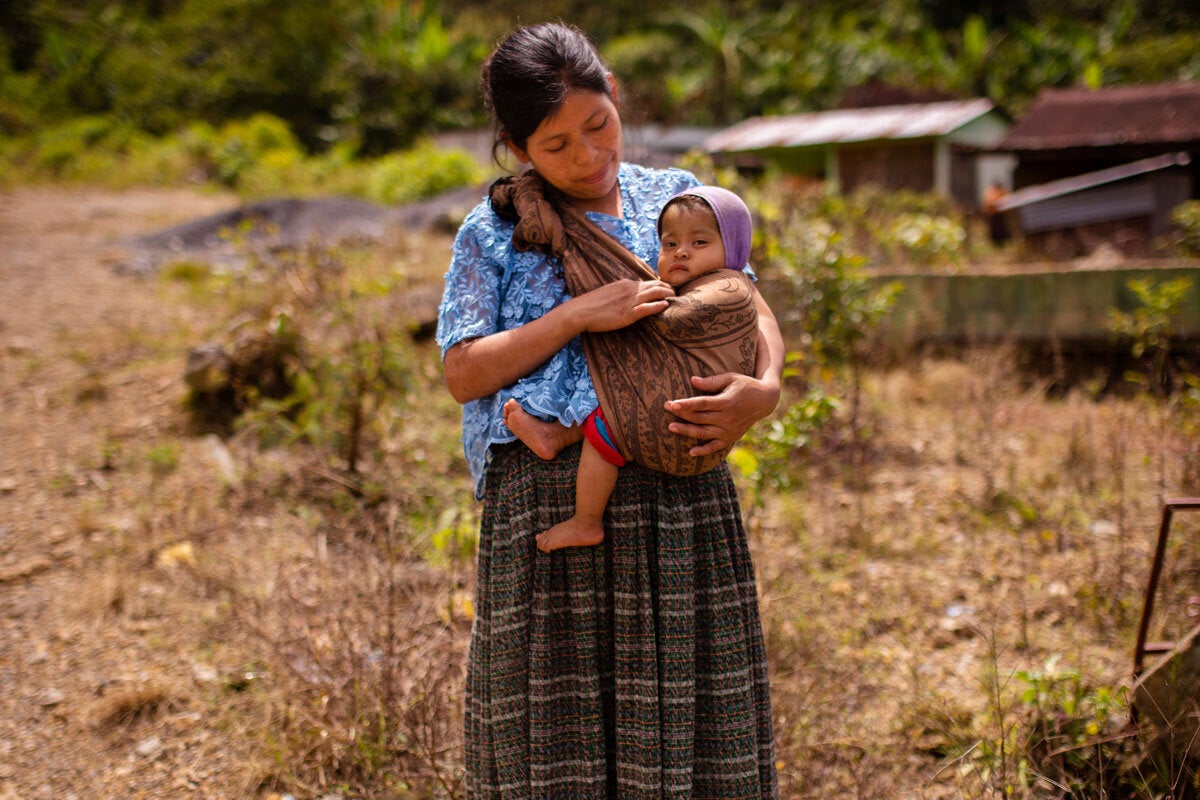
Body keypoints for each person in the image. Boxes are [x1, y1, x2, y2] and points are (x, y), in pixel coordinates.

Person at [436, 21, 783, 800]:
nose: (588, 157)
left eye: (599, 126)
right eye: (556, 147)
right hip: (551, 508)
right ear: (519, 148)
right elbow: (463, 372)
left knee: (696, 737)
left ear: (615, 96)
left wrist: (766, 391)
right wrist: (578, 315)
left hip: (682, 495)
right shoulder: (493, 229)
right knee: (555, 748)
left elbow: (746, 306)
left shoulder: (678, 198)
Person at [503, 185, 759, 553]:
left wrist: (625, 303)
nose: (681, 252)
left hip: (684, 422)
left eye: (699, 243)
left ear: (732, 247)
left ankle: (586, 520)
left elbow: (674, 320)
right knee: (612, 389)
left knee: (610, 430)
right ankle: (559, 435)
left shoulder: (730, 285)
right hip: (688, 418)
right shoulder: (699, 283)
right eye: (669, 245)